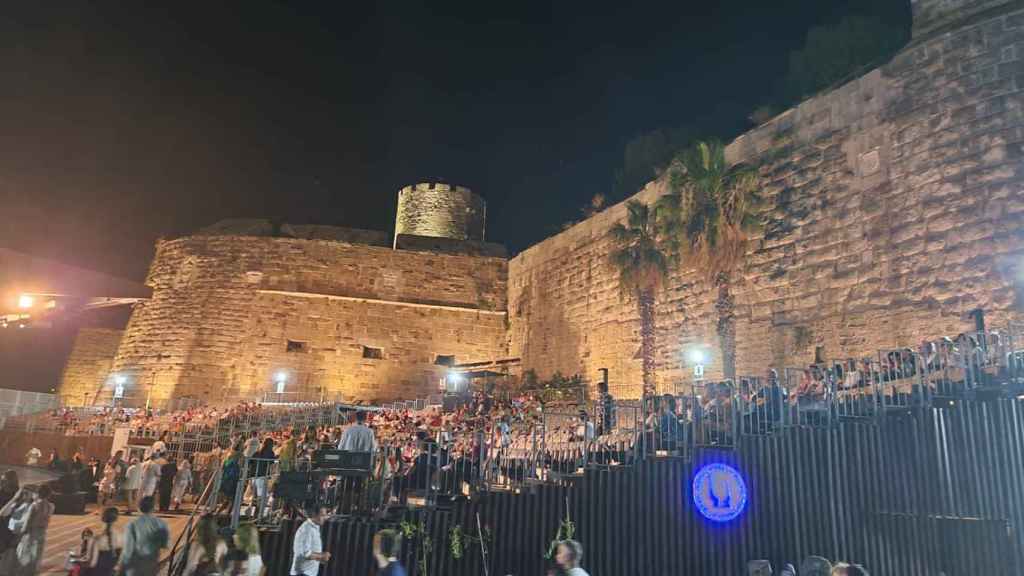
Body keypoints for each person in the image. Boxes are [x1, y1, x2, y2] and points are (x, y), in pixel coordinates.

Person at [116, 496, 170, 576]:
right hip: (151, 562)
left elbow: (127, 549)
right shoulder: (161, 524)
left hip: (134, 564)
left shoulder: (132, 524)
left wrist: (120, 567)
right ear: (153, 508)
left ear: (140, 508)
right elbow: (165, 545)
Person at [13, 483, 54, 576]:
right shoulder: (51, 506)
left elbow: (28, 521)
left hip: (31, 533)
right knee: (37, 559)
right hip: (42, 533)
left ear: (38, 493)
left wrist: (20, 534)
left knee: (24, 558)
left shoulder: (34, 505)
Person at [290, 504, 330, 576]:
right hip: (302, 573)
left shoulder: (315, 527)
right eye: (322, 515)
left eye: (325, 515)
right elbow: (306, 553)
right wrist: (322, 556)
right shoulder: (307, 529)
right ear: (314, 514)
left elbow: (310, 552)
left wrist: (319, 558)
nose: (325, 518)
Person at [87, 507, 122, 576]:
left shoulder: (96, 539)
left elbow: (92, 563)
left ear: (102, 518)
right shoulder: (121, 537)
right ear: (117, 519)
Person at [0, 471, 19, 556]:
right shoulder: (1, 492)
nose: (2, 482)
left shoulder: (18, 494)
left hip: (10, 527)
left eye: (4, 480)